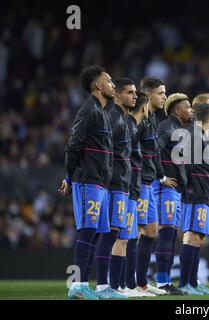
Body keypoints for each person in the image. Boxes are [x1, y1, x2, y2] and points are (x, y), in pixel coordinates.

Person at [59, 65, 115, 300]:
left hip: (100, 182)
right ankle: (77, 287)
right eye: (109, 80)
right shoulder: (89, 110)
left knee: (95, 234)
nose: (113, 84)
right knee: (87, 230)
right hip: (87, 180)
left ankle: (86, 286)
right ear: (98, 85)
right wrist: (70, 176)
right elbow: (73, 144)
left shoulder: (102, 112)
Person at [94, 78, 137, 299]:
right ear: (117, 96)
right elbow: (106, 153)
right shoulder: (112, 118)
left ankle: (113, 286)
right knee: (109, 233)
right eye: (130, 92)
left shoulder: (125, 120)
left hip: (122, 184)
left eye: (135, 92)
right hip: (113, 184)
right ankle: (103, 287)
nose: (135, 96)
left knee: (116, 232)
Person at [109, 91, 153, 297]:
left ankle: (125, 284)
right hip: (124, 187)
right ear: (144, 108)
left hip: (131, 188)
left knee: (129, 236)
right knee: (121, 237)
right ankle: (115, 285)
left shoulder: (132, 126)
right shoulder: (128, 126)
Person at [134, 77, 172, 296]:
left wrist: (161, 176)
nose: (164, 97)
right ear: (148, 95)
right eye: (161, 93)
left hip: (149, 180)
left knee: (151, 230)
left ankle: (141, 282)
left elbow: (154, 153)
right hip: (138, 180)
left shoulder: (153, 119)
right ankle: (124, 282)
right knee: (133, 231)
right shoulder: (138, 119)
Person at [178, 102, 209, 295]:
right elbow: (186, 167)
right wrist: (190, 190)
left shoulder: (202, 136)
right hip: (195, 195)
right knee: (192, 237)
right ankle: (184, 283)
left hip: (203, 194)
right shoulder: (194, 136)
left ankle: (192, 283)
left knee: (198, 238)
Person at [154, 93, 192, 295]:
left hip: (175, 189)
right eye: (188, 107)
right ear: (178, 111)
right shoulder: (166, 127)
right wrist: (161, 177)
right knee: (167, 232)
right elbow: (154, 151)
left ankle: (165, 282)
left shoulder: (179, 130)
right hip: (166, 187)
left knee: (170, 233)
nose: (191, 110)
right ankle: (162, 283)